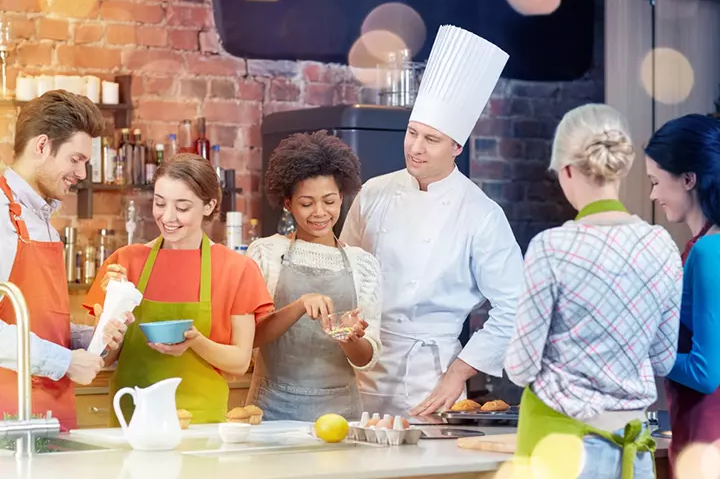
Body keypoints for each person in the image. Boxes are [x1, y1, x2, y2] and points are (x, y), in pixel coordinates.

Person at [340, 25, 525, 417]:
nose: (416, 148)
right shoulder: (374, 192)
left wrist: (459, 373)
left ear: (458, 146)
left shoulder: (481, 214)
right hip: (362, 366)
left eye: (432, 140)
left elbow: (515, 306)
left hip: (433, 379)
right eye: (412, 133)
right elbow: (345, 271)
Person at [505, 104, 683, 478]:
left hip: (558, 449)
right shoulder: (660, 245)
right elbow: (663, 361)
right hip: (630, 448)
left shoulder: (551, 247)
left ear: (567, 170)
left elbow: (520, 367)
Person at [84, 153, 273, 425]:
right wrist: (108, 327)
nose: (167, 217)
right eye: (160, 203)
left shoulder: (237, 270)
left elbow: (239, 361)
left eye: (182, 207)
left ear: (209, 205)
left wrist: (194, 341)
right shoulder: (124, 264)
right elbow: (104, 357)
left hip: (202, 425)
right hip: (132, 421)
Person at [246, 131, 382, 421]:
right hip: (270, 410)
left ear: (342, 197)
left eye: (330, 201)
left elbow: (366, 358)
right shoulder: (265, 254)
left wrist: (348, 337)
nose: (320, 213)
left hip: (342, 415)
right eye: (307, 203)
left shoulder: (364, 265)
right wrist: (298, 306)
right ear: (287, 203)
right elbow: (250, 338)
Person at [0, 91, 111, 431]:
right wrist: (64, 361)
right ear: (42, 146)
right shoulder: (2, 215)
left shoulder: (42, 220)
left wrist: (86, 338)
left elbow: (35, 320)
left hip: (52, 414)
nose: (82, 173)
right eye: (76, 159)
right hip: (9, 418)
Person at [645, 114, 720, 473]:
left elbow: (706, 373)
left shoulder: (708, 252)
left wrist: (642, 347)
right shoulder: (703, 247)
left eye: (656, 181)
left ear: (688, 179)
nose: (653, 194)